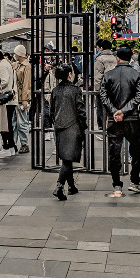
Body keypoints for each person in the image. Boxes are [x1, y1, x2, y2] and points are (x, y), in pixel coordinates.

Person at [101, 47, 140, 196]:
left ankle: (116, 184)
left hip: (114, 120)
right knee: (136, 151)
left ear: (117, 58)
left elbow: (103, 96)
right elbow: (139, 97)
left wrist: (114, 111)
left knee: (114, 152)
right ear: (130, 58)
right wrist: (125, 110)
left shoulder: (108, 75)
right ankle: (134, 181)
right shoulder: (136, 74)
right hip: (131, 118)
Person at [48, 64, 86, 201]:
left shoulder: (55, 90)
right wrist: (84, 126)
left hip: (59, 127)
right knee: (67, 158)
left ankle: (71, 186)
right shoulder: (75, 90)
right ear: (69, 74)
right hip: (73, 126)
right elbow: (81, 111)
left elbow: (51, 111)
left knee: (66, 157)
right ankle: (59, 186)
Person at [11, 46, 32, 153]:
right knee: (14, 122)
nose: (14, 55)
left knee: (22, 122)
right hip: (15, 98)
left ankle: (24, 143)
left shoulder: (27, 66)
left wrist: (24, 99)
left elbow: (26, 84)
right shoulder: (17, 65)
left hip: (22, 99)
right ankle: (13, 143)